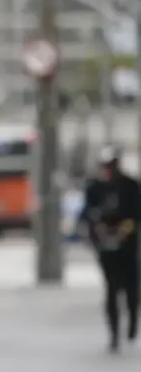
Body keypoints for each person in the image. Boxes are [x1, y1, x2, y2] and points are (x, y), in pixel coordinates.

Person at [80, 146, 141, 353]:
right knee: (112, 288)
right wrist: (96, 231)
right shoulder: (94, 188)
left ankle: (133, 320)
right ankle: (114, 333)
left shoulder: (130, 186)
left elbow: (136, 213)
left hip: (127, 243)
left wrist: (126, 229)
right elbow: (86, 214)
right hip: (105, 245)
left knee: (132, 287)